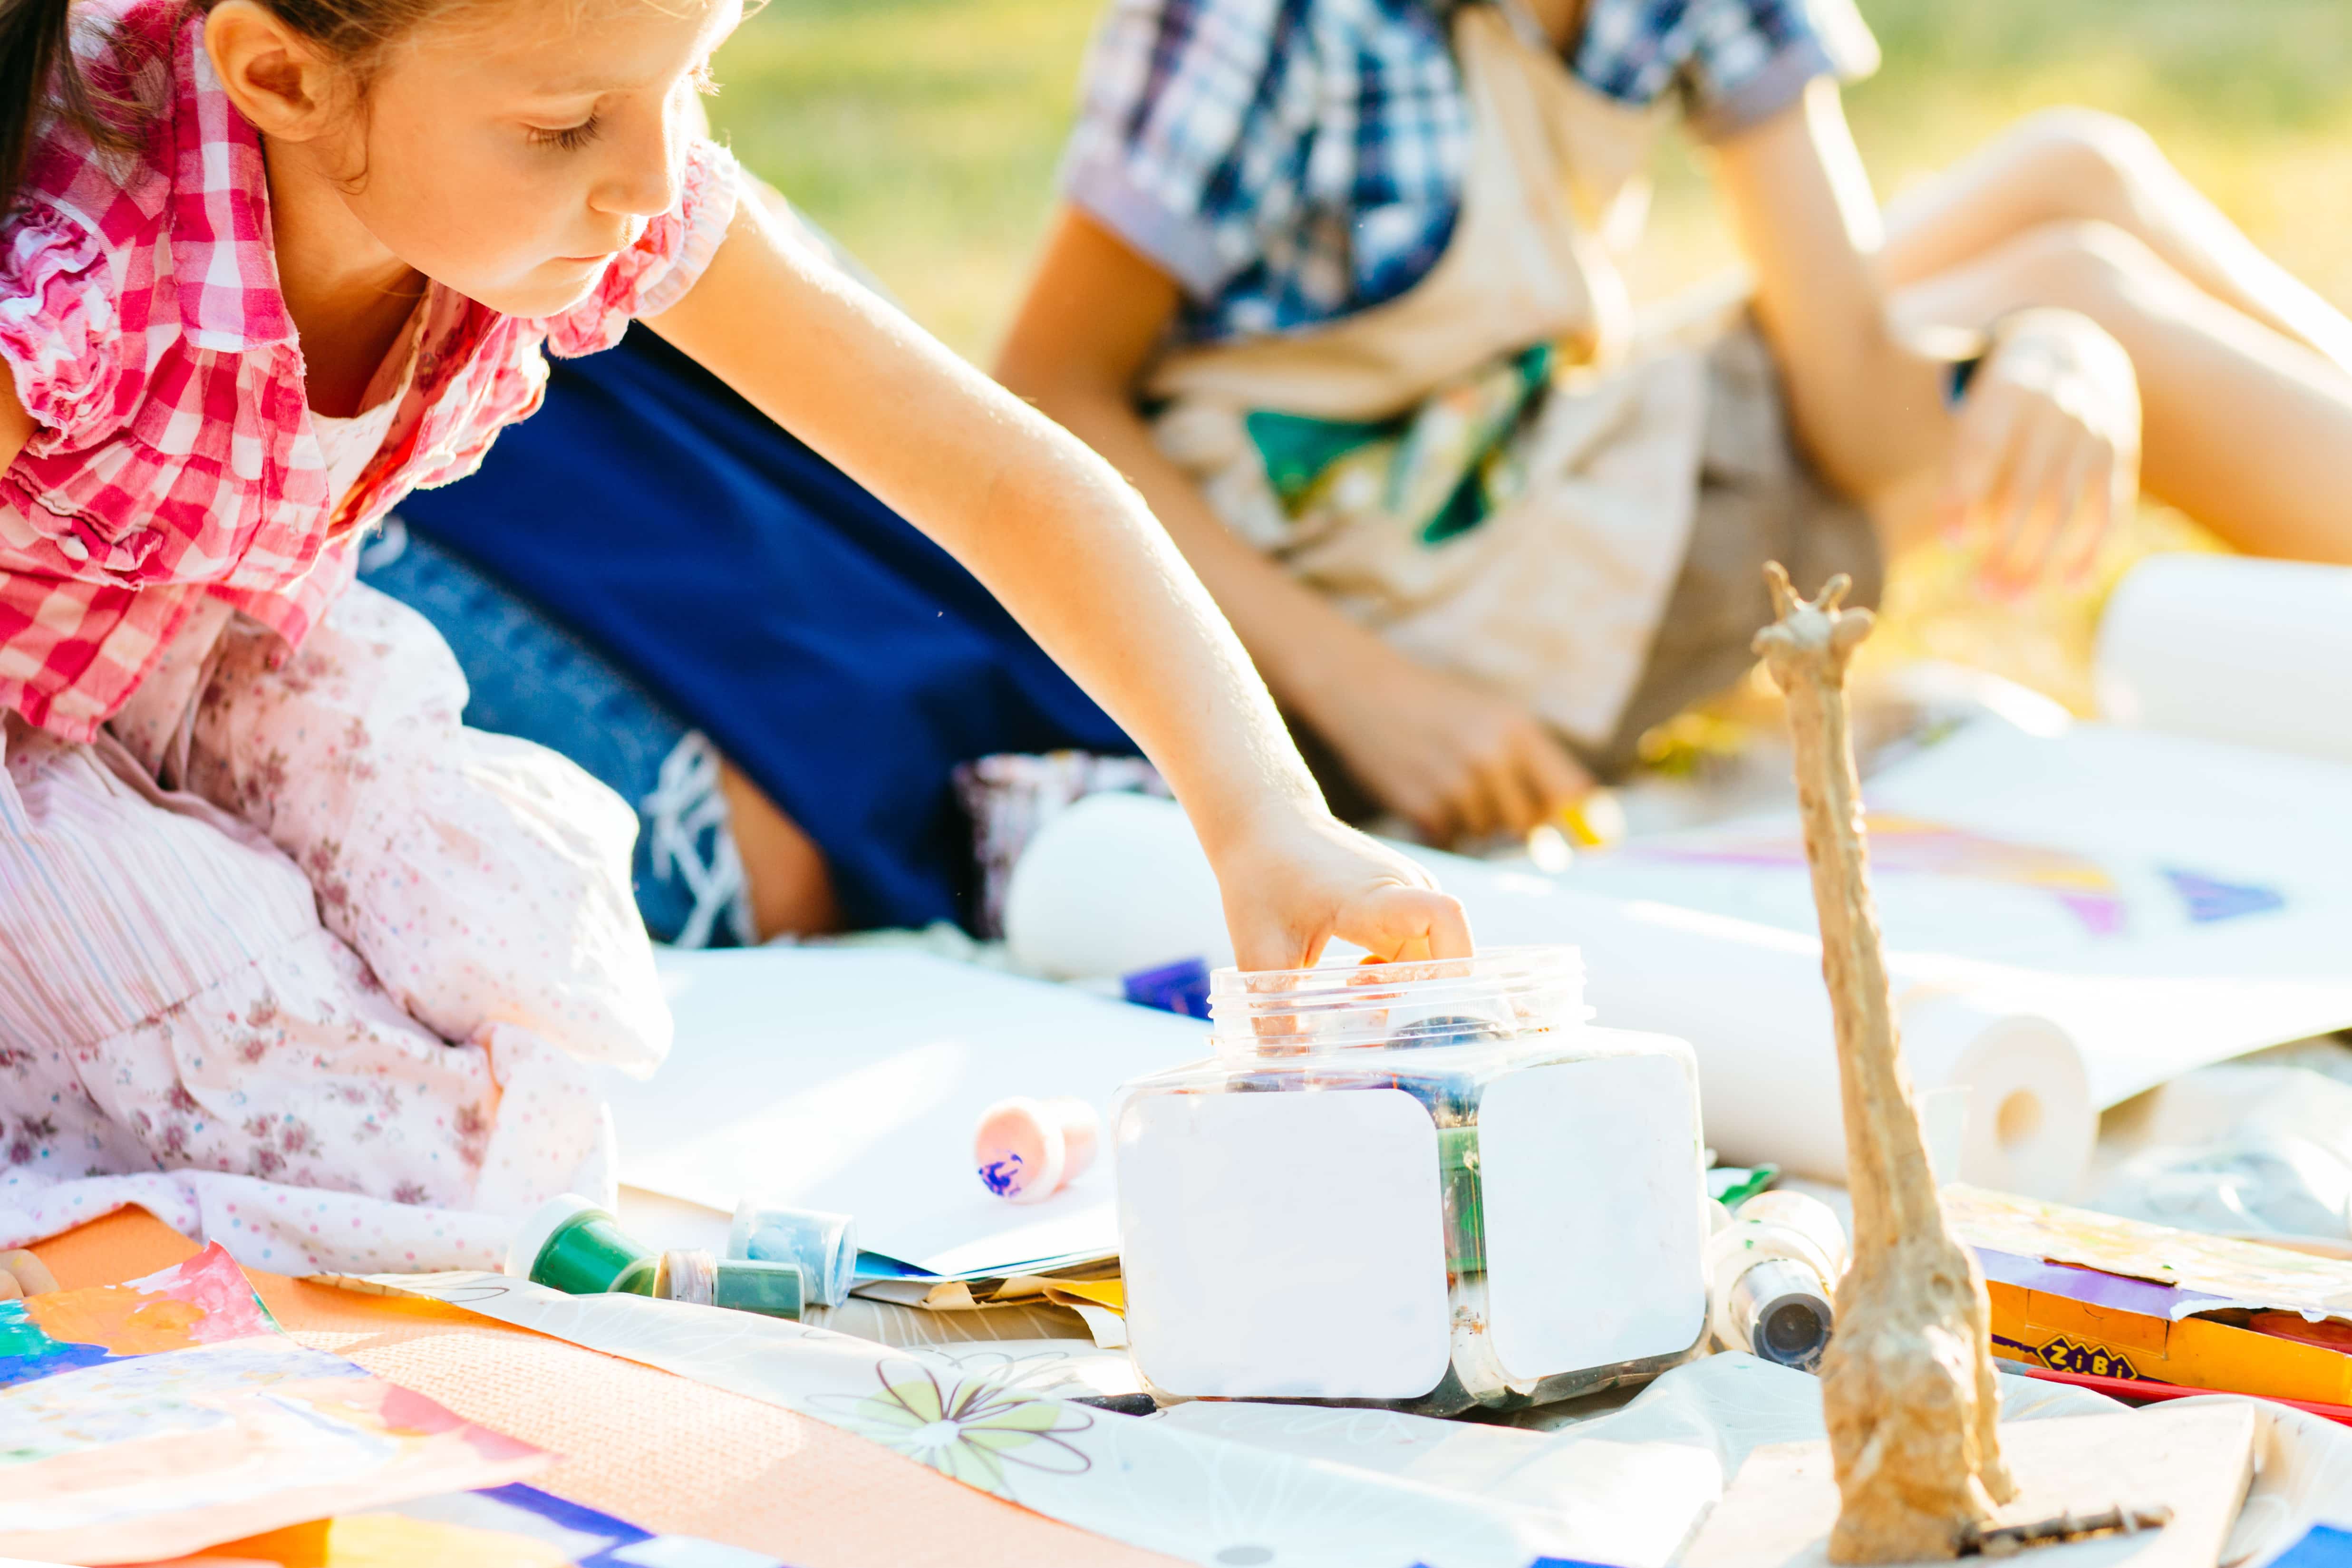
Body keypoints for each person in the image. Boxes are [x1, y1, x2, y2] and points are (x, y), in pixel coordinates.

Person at [0, 0, 1466, 1281]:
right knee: (332, 1151)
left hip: (216, 663)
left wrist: (1265, 819)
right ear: (286, 82)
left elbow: (995, 475)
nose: (647, 181)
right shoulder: (75, 277)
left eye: (688, 83)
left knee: (522, 997)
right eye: (566, 125)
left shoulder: (596, 173)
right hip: (26, 739)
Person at [997, 0, 2352, 847]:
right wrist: (1376, 693)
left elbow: (1862, 416)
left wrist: (2039, 355)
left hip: (1533, 447)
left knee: (2075, 172)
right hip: (1386, 604)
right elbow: (1047, 391)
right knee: (2081, 283)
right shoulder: (1266, 19)